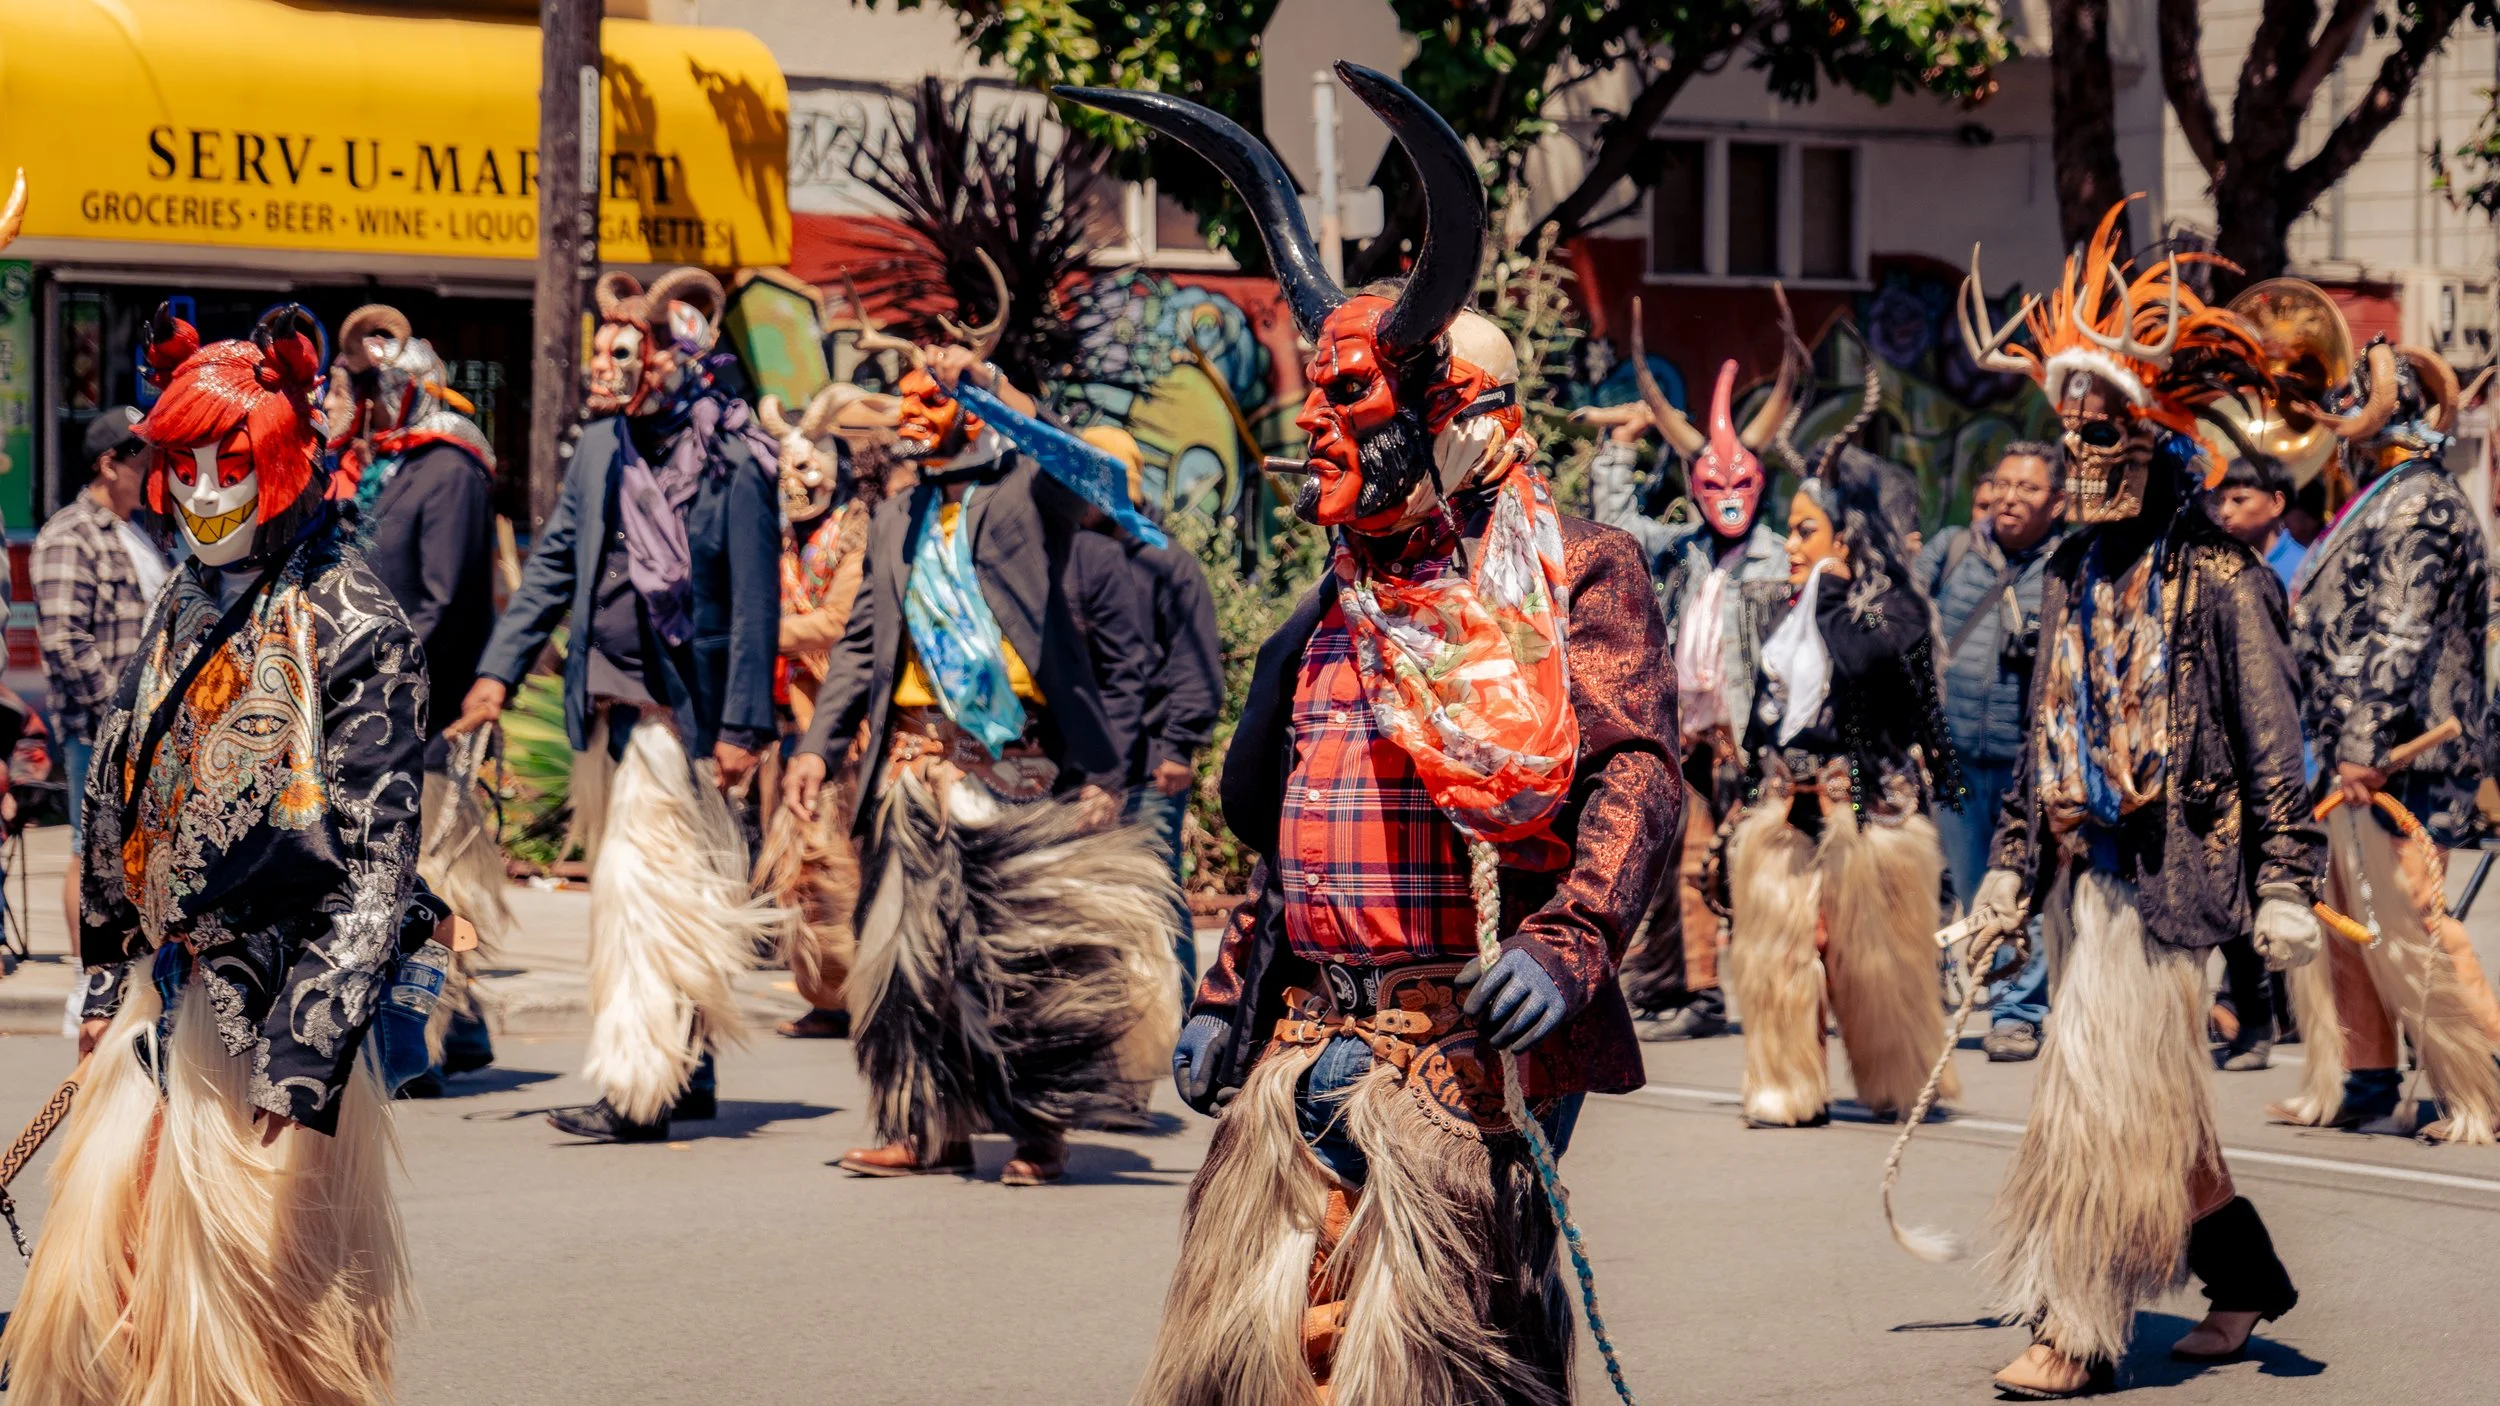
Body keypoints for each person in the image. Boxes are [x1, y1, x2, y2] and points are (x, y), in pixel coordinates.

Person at [1071, 71, 1677, 1400]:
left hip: (1460, 1050)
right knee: (1263, 1350)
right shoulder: (1337, 602)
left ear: (1449, 418)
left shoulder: (1569, 571)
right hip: (1312, 1039)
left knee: (1425, 1355)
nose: (1308, 425)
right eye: (1312, 394)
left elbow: (1635, 769)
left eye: (1346, 398)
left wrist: (1569, 937)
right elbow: (1297, 817)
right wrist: (1234, 995)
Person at [0, 305, 423, 1402]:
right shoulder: (187, 593)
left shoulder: (357, 619)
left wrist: (306, 1047)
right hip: (160, 990)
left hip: (273, 1011)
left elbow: (378, 860)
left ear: (283, 456)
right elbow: (120, 785)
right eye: (176, 463)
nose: (197, 489)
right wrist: (102, 972)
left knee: (239, 1342)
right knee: (102, 1300)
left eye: (223, 461)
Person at [1959, 204, 2319, 1396]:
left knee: (2101, 1106)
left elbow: (2274, 749)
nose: (2082, 457)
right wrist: (2011, 867)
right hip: (2080, 879)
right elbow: (2040, 740)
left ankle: (2078, 1322)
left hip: (2170, 885)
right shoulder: (2064, 571)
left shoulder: (2220, 578)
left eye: (2104, 433)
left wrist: (2286, 887)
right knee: (2159, 1117)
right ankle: (2246, 1278)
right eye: (2070, 437)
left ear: (2156, 441)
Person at [778, 316, 1179, 1189]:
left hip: (1017, 762)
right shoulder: (894, 516)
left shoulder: (1028, 494)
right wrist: (817, 747)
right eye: (910, 404)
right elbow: (860, 646)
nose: (914, 418)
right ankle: (923, 1127)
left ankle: (1039, 1128)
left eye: (934, 401)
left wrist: (995, 389)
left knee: (1023, 956)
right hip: (913, 769)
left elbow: (1092, 472)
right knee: (900, 956)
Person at [453, 268, 782, 1144]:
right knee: (667, 899)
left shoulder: (733, 456)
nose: (603, 364)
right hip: (610, 710)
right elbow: (556, 563)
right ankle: (691, 1069)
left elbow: (755, 605)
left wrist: (747, 727)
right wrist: (497, 674)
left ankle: (640, 1090)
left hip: (685, 719)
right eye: (599, 349)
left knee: (646, 898)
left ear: (674, 354)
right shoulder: (605, 447)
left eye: (622, 349)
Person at [2272, 339, 2500, 1141]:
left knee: (2409, 917)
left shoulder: (2416, 504)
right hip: (2354, 750)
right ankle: (2364, 1077)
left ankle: (2474, 1084)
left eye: (2348, 404)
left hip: (2400, 752)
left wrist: (2364, 739)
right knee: (2348, 915)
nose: (2337, 421)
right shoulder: (2389, 494)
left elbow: (2400, 629)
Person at [1720, 444, 1963, 1129]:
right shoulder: (1780, 611)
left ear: (1848, 535)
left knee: (1879, 965)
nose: (1791, 545)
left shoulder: (1895, 611)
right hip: (1788, 810)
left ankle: (1900, 1079)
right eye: (1792, 530)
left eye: (1806, 531)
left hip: (1870, 816)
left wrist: (1830, 591)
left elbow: (1876, 672)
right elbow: (1766, 722)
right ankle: (1784, 1085)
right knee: (1776, 958)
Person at [1584, 315, 1796, 1041]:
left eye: (1740, 480)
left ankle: (1786, 1001)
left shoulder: (1779, 559)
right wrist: (1618, 451)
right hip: (1689, 731)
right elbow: (1616, 529)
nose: (1727, 493)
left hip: (1751, 738)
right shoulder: (1684, 551)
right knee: (1683, 862)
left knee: (1761, 869)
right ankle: (1693, 990)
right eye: (1713, 481)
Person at [328, 304, 506, 1090]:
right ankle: (460, 1032)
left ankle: (431, 1039)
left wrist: (375, 682)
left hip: (429, 710)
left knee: (436, 872)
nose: (351, 405)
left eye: (362, 390)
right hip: (385, 707)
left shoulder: (452, 468)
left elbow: (446, 600)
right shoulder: (383, 468)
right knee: (412, 870)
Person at [752, 383, 895, 1041]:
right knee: (798, 873)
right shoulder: (780, 537)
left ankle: (855, 993)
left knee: (836, 865)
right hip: (785, 726)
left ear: (835, 467)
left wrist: (751, 628)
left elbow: (840, 623)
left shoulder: (854, 533)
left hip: (839, 731)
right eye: (784, 466)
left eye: (808, 465)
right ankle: (828, 996)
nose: (795, 479)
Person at [1914, 443, 2062, 1062]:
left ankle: (2019, 1012)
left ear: (2058, 502)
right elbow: (1903, 618)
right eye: (2003, 484)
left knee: (2018, 884)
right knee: (1973, 882)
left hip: (2026, 761)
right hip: (1951, 756)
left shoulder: (2068, 564)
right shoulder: (1951, 550)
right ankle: (1991, 986)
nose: (2010, 498)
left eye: (2028, 489)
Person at [1082, 424, 1222, 990]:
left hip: (1149, 769)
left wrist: (1177, 747)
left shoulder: (1165, 563)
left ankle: (1184, 1010)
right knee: (1092, 895)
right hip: (1089, 765)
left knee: (1154, 891)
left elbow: (1194, 662)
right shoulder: (1081, 555)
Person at [32, 405, 170, 936]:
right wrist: (120, 716)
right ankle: (87, 986)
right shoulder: (71, 533)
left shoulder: (139, 532)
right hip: (100, 732)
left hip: (148, 732)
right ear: (109, 464)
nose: (156, 472)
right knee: (89, 852)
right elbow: (66, 641)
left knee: (138, 852)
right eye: (147, 460)